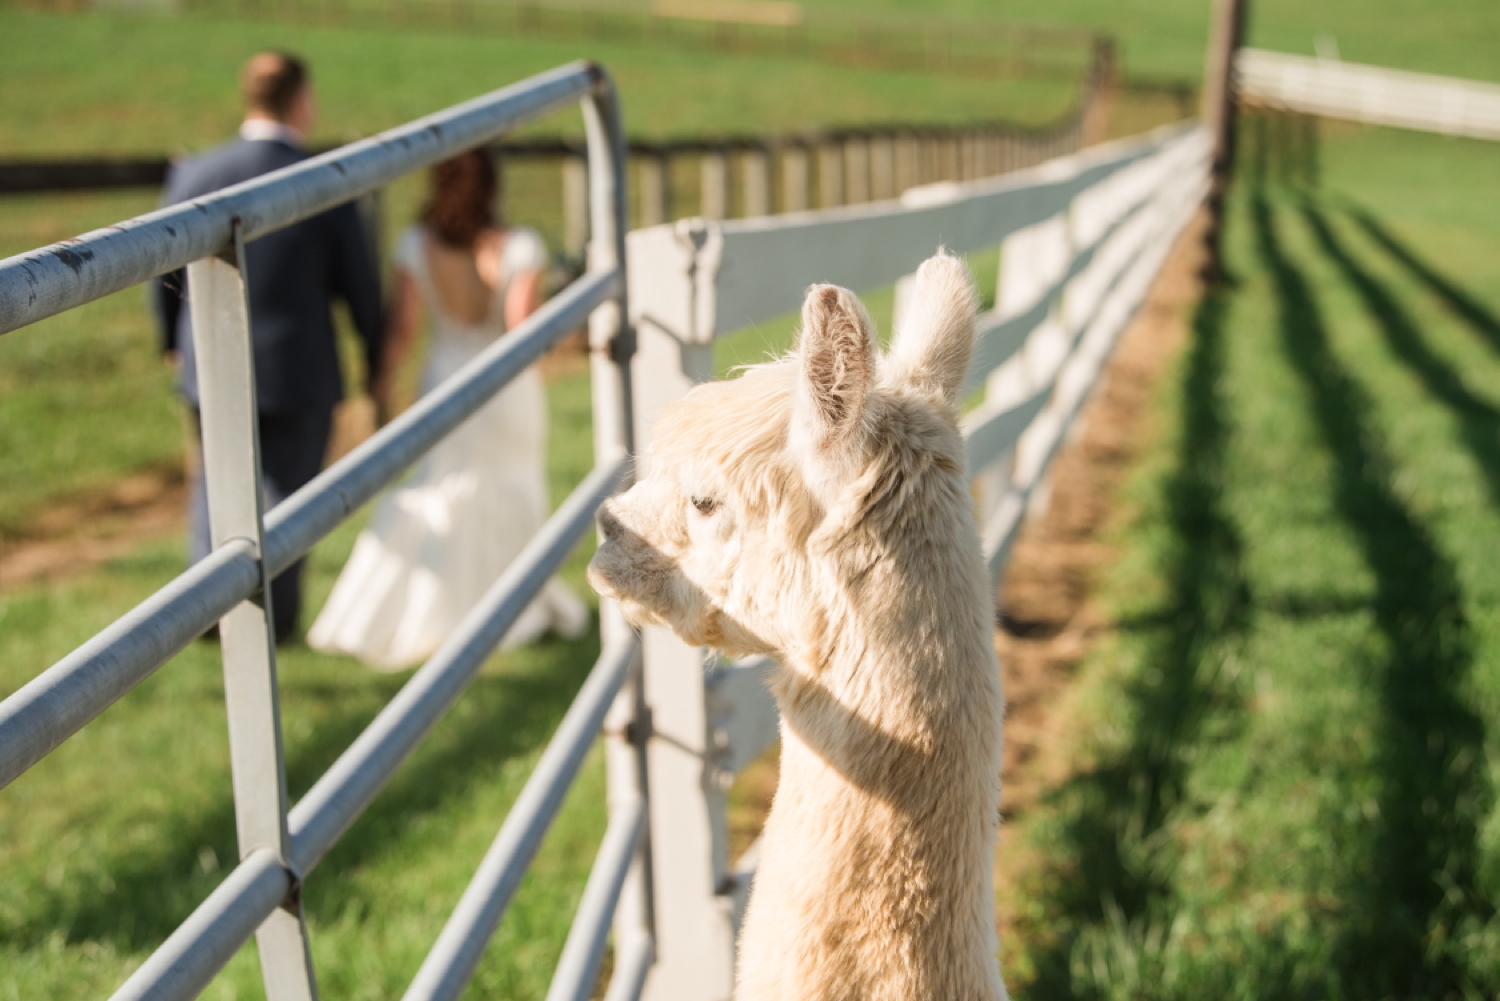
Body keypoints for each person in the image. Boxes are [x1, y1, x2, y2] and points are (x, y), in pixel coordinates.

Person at [307, 150, 589, 670]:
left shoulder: (416, 246)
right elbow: (524, 331)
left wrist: (381, 383)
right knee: (512, 484)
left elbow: (404, 329)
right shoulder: (519, 247)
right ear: (491, 186)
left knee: (438, 482)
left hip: (442, 379)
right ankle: (513, 602)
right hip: (506, 388)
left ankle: (416, 607)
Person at [155, 51, 384, 643]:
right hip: (298, 368)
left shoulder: (196, 174)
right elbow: (358, 283)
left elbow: (160, 268)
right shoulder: (322, 179)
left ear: (249, 97)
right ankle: (272, 622)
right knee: (287, 497)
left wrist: (170, 343)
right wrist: (374, 355)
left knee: (215, 484)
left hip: (209, 361)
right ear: (301, 100)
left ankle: (206, 618)